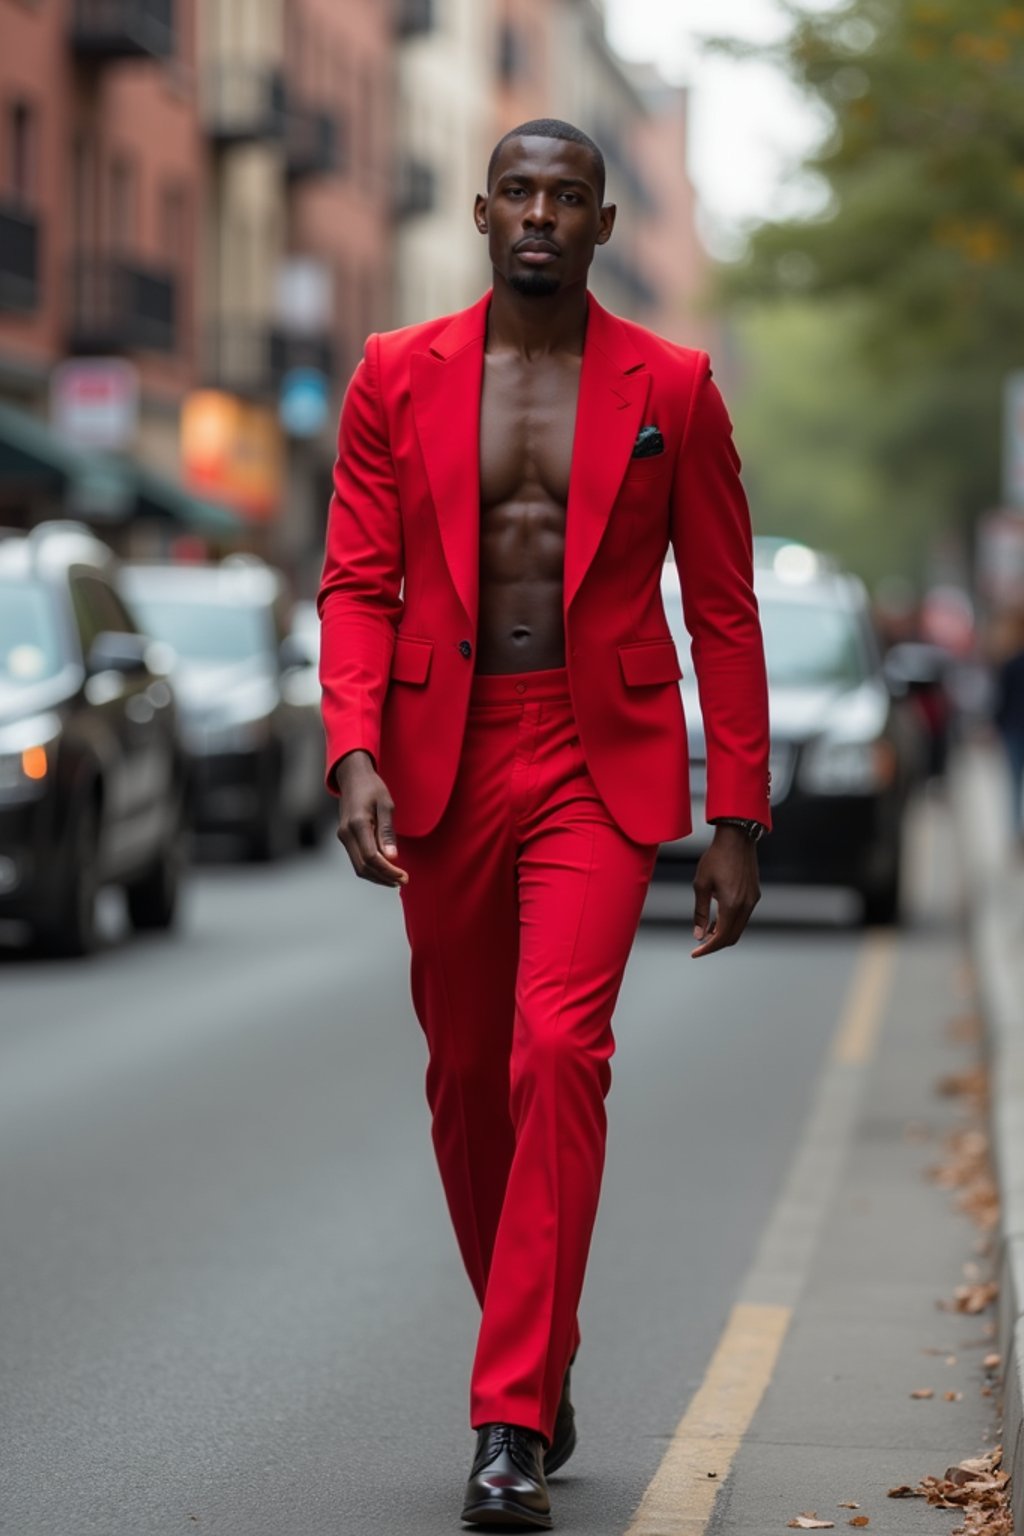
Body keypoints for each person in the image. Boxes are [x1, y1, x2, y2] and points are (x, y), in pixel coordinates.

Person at [317, 119, 772, 1531]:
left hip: (597, 755)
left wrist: (738, 812)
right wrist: (350, 751)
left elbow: (723, 609)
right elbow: (356, 583)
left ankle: (508, 1419)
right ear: (478, 210)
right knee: (467, 1080)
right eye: (518, 190)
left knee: (558, 1049)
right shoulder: (398, 374)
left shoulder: (673, 388)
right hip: (443, 750)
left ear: (601, 225)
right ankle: (548, 1350)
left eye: (567, 196)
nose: (539, 214)